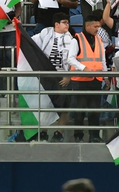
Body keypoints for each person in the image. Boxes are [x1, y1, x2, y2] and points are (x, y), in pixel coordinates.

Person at [31, 11, 76, 142]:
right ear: (57, 24)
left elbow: (74, 59)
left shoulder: (72, 39)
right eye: (64, 22)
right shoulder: (45, 33)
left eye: (68, 22)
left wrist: (68, 76)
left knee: (63, 106)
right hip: (47, 75)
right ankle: (43, 132)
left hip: (63, 76)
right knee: (45, 105)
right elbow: (30, 42)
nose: (67, 24)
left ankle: (59, 133)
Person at [68, 14, 110, 143]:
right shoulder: (76, 39)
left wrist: (106, 77)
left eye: (99, 26)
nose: (98, 28)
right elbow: (70, 59)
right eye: (95, 26)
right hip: (80, 80)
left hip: (96, 80)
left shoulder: (99, 40)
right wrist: (83, 68)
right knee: (79, 110)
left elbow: (102, 60)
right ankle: (78, 136)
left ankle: (94, 136)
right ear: (87, 26)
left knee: (95, 110)